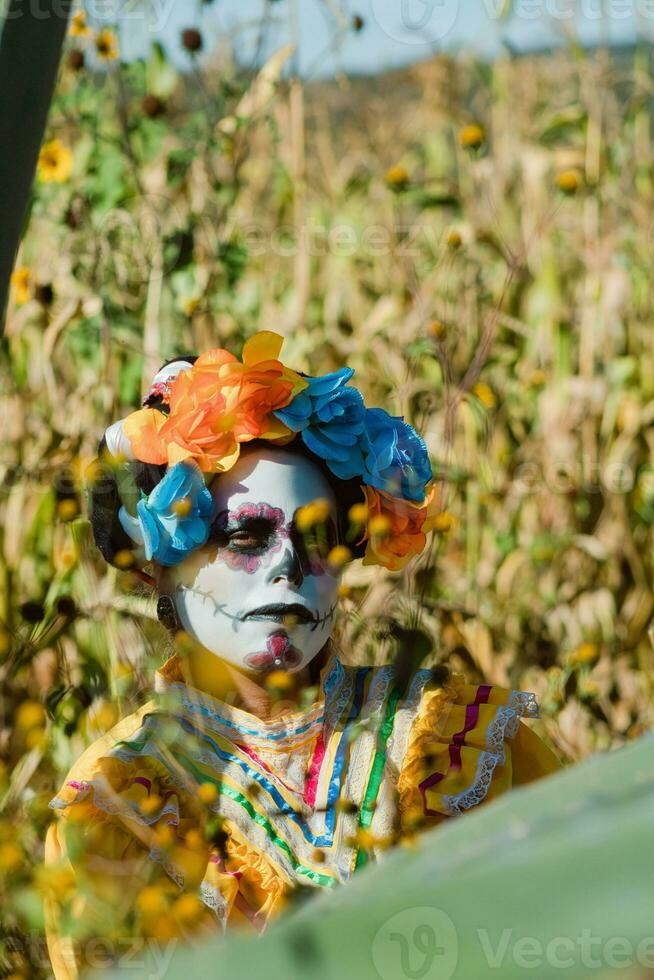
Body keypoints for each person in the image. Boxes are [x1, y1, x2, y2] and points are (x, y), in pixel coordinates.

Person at [43, 331, 560, 978]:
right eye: (246, 535)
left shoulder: (456, 740)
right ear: (159, 565)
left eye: (318, 539)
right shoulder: (120, 801)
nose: (287, 565)